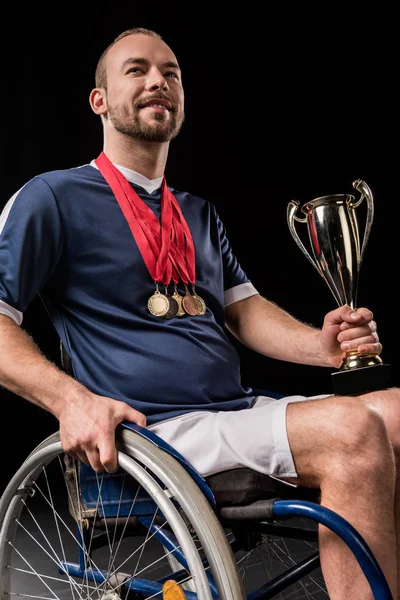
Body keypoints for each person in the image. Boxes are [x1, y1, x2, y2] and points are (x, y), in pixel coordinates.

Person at [0, 26, 398, 600]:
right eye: (136, 70)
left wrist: (322, 346)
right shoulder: (52, 198)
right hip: (156, 431)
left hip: (232, 414)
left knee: (395, 412)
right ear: (101, 100)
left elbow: (244, 313)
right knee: (354, 428)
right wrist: (73, 401)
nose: (158, 80)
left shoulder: (197, 213)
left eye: (171, 72)